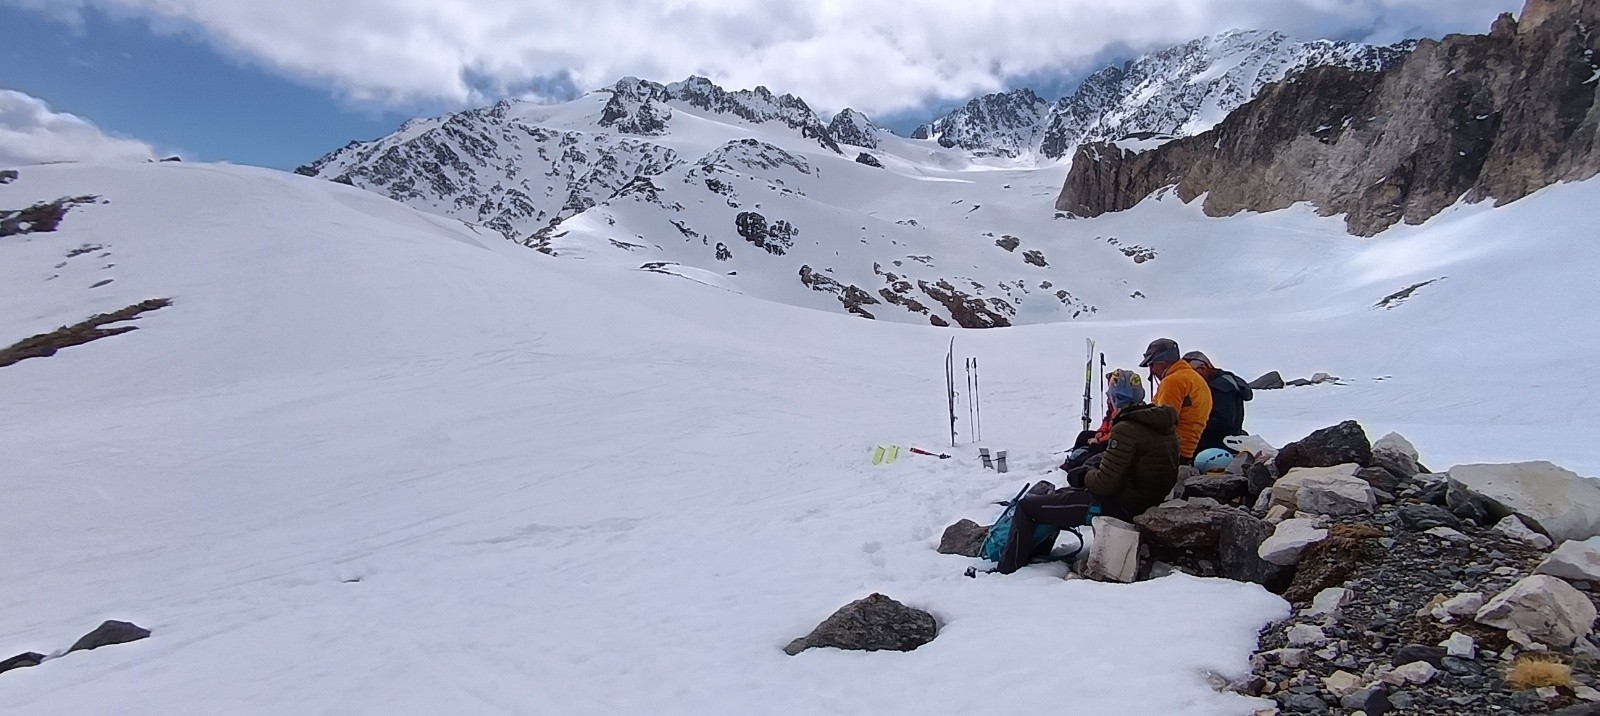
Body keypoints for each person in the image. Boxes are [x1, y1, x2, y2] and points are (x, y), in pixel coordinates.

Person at [998, 371, 1179, 574]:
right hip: (1145, 499)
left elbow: (1104, 484)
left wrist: (1083, 475)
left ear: (1115, 399)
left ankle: (1008, 569)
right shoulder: (1161, 424)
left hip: (1120, 505)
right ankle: (1036, 558)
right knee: (1056, 499)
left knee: (1028, 507)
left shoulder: (1127, 429)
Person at [1138, 337, 1212, 464]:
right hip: (1188, 451)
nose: (1151, 371)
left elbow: (1163, 422)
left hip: (1171, 451)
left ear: (1162, 361)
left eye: (1152, 364)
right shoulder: (1195, 378)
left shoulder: (1173, 381)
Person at [1183, 350, 1254, 455]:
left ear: (1202, 368)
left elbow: (1223, 423)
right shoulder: (1227, 380)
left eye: (1191, 374)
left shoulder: (1220, 387)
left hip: (1219, 446)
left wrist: (1193, 424)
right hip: (1228, 441)